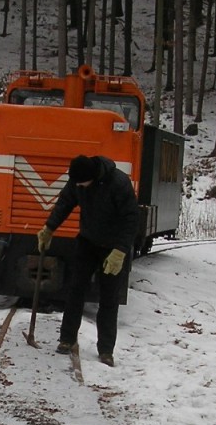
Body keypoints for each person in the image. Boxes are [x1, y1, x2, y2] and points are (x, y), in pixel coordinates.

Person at [36, 154, 139, 367]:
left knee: (109, 298)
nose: (79, 186)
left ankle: (106, 351)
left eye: (82, 183)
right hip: (87, 242)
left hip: (112, 248)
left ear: (93, 177)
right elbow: (64, 204)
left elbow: (131, 219)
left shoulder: (119, 183)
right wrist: (49, 228)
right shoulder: (77, 181)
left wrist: (120, 251)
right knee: (75, 290)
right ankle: (67, 339)